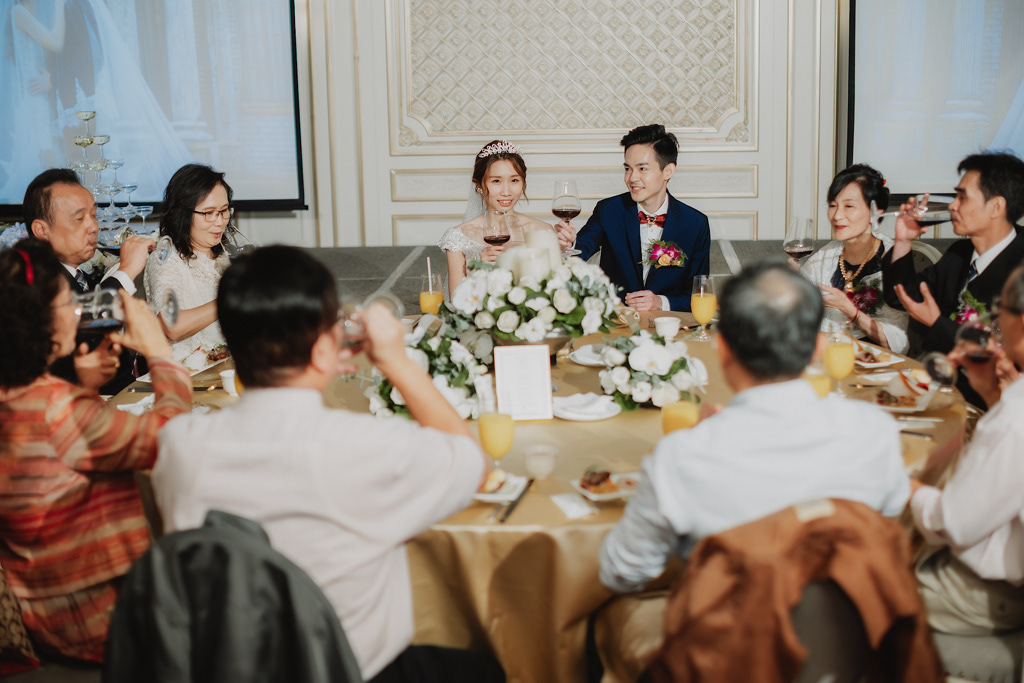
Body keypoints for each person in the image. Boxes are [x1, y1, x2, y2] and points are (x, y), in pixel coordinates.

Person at [151, 246, 505, 683]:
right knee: (488, 669)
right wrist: (396, 361)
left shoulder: (179, 447)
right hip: (349, 669)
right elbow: (472, 465)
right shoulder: (363, 446)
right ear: (323, 348)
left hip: (232, 666)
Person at [599, 262, 911, 593]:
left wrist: (701, 438)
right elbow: (890, 519)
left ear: (721, 350)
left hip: (731, 619)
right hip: (847, 616)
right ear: (818, 349)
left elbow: (622, 571)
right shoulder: (874, 430)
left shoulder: (684, 455)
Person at [0, 238, 190, 662]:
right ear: (39, 323)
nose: (77, 311)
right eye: (67, 303)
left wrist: (84, 389)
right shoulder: (60, 409)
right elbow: (171, 439)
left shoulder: (19, 394)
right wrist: (160, 352)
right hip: (98, 619)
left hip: (42, 603)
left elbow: (53, 459)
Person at [909, 264, 1024, 636]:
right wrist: (992, 394)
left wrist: (905, 483)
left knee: (848, 579)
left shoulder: (1015, 419)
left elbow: (953, 523)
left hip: (983, 594)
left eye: (999, 313)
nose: (994, 324)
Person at [882, 151, 1024, 362]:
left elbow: (1008, 354)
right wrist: (903, 241)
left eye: (962, 198)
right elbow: (901, 297)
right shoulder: (959, 253)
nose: (952, 205)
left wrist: (937, 324)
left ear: (996, 207)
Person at [24, 167, 151, 392]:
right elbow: (82, 325)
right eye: (79, 218)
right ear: (41, 230)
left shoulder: (76, 275)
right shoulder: (32, 280)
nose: (94, 226)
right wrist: (126, 270)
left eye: (93, 215)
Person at [564, 124, 710, 312]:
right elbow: (579, 252)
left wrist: (661, 302)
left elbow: (699, 295)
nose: (632, 178)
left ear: (668, 171)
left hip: (669, 323)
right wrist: (565, 244)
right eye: (627, 169)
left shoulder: (695, 224)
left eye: (642, 169)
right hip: (616, 319)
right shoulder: (609, 210)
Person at [801, 164, 909, 353]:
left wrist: (849, 309)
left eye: (849, 206)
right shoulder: (825, 257)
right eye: (832, 205)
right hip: (826, 355)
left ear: (876, 212)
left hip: (875, 362)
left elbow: (899, 343)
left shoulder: (893, 259)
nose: (836, 215)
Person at [438, 139, 559, 293]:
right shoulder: (457, 237)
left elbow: (555, 291)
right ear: (478, 185)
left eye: (514, 180)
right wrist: (479, 270)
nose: (506, 192)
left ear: (523, 182)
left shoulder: (542, 230)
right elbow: (456, 301)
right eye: (496, 181)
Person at [144, 163, 235, 366]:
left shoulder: (223, 255)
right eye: (208, 213)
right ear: (182, 214)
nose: (219, 222)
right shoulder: (166, 258)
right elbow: (172, 325)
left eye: (224, 210)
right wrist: (228, 300)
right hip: (185, 373)